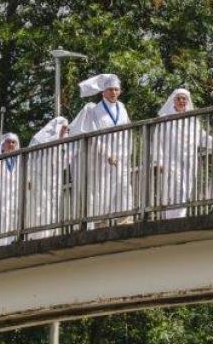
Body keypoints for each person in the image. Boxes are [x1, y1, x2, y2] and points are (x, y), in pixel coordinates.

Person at [70, 74, 134, 222]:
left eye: (116, 89)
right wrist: (107, 154)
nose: (113, 93)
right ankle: (101, 220)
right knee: (103, 189)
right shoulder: (95, 110)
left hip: (121, 156)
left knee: (124, 186)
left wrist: (128, 151)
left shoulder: (122, 108)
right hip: (102, 158)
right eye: (110, 89)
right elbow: (93, 134)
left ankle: (125, 218)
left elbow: (129, 129)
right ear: (103, 92)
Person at [152, 88, 213, 218]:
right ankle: (171, 219)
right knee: (173, 191)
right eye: (178, 98)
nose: (181, 101)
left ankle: (179, 218)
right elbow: (157, 141)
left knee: (185, 191)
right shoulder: (164, 119)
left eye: (184, 99)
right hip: (170, 162)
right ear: (173, 101)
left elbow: (202, 138)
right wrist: (159, 161)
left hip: (189, 162)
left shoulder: (192, 120)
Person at [27, 117, 71, 237]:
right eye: (63, 128)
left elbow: (65, 163)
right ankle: (40, 234)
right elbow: (30, 161)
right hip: (40, 178)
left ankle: (52, 232)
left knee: (53, 206)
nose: (65, 130)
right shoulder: (41, 140)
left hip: (54, 180)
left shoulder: (64, 145)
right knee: (40, 207)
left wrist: (62, 143)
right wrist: (29, 178)